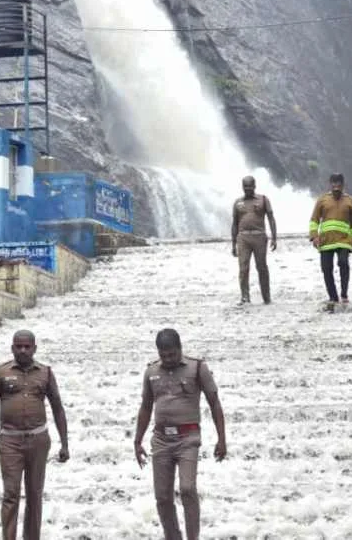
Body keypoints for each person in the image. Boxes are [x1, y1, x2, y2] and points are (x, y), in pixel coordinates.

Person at [134, 328, 227, 540]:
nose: (168, 359)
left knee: (187, 488)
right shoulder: (151, 372)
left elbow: (214, 403)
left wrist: (222, 439)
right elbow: (146, 407)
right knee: (163, 497)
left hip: (188, 438)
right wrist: (137, 440)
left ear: (180, 349)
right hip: (161, 439)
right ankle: (173, 536)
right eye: (163, 355)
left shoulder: (197, 368)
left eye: (172, 354)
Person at [0, 330, 70, 540]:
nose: (23, 350)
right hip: (10, 441)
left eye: (27, 346)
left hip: (38, 440)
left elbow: (58, 408)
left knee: (35, 495)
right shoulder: (0, 373)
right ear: (12, 348)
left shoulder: (45, 373)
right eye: (19, 346)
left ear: (35, 348)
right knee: (11, 495)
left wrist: (64, 444)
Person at [307, 173, 352, 309]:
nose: (336, 187)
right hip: (326, 241)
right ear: (330, 184)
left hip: (344, 240)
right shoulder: (322, 200)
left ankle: (344, 294)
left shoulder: (350, 201)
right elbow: (314, 220)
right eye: (334, 184)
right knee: (326, 269)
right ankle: (333, 297)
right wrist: (314, 236)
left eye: (339, 184)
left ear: (343, 185)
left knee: (343, 263)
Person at [231, 175, 277, 305]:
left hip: (259, 237)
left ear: (255, 186)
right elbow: (234, 223)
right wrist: (233, 244)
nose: (248, 189)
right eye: (245, 186)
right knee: (243, 268)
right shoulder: (237, 203)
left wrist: (274, 237)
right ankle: (245, 297)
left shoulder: (263, 199)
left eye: (250, 186)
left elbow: (271, 218)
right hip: (243, 237)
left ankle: (266, 297)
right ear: (242, 187)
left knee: (261, 267)